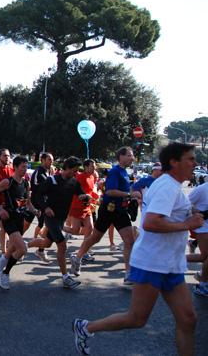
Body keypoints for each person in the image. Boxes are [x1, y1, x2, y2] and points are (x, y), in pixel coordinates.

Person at [73, 142, 204, 356]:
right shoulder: (167, 187)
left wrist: (194, 215)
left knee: (188, 319)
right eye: (190, 159)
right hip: (153, 262)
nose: (196, 163)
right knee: (136, 319)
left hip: (171, 263)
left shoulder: (171, 186)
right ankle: (86, 327)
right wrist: (187, 225)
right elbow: (150, 223)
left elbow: (173, 212)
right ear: (174, 162)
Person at [70, 147, 142, 285]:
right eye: (129, 156)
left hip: (121, 212)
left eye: (132, 156)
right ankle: (77, 257)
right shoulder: (115, 171)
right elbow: (110, 191)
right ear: (121, 157)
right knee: (95, 238)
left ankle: (128, 274)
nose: (132, 158)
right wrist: (130, 195)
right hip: (108, 210)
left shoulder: (124, 172)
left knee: (129, 241)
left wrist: (131, 199)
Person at [26, 157, 88, 289]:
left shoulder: (74, 183)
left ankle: (24, 245)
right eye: (75, 170)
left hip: (61, 218)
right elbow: (38, 195)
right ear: (68, 168)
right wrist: (46, 208)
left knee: (46, 244)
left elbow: (81, 193)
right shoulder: (52, 180)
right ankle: (65, 277)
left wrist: (84, 197)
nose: (76, 173)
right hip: (51, 218)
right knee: (62, 245)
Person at [0, 155, 39, 290]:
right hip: (8, 219)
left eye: (26, 167)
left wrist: (35, 211)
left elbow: (28, 203)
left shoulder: (27, 184)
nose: (25, 170)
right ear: (15, 167)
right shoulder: (7, 182)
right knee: (21, 249)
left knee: (11, 251)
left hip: (20, 219)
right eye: (22, 167)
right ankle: (5, 273)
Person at [62, 159, 99, 261]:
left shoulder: (92, 177)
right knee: (75, 230)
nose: (94, 168)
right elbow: (71, 188)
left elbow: (91, 191)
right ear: (86, 167)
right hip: (77, 206)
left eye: (94, 166)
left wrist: (96, 197)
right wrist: (81, 196)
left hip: (87, 207)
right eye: (92, 166)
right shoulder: (80, 177)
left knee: (90, 228)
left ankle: (85, 252)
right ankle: (59, 227)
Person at [29, 152, 54, 262]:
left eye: (52, 160)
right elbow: (33, 186)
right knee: (24, 226)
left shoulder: (48, 172)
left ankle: (40, 249)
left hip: (44, 204)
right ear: (43, 160)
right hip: (34, 204)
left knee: (46, 225)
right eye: (49, 159)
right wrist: (46, 185)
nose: (51, 162)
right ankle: (15, 245)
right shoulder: (38, 171)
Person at [186, 178, 208, 296]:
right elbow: (185, 205)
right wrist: (201, 212)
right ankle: (202, 285)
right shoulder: (202, 189)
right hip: (204, 227)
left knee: (204, 257)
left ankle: (175, 259)